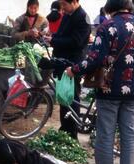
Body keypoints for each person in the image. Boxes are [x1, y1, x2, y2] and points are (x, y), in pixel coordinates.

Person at [66, 0, 134, 164]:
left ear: (110, 6)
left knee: (105, 132)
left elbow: (95, 58)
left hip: (109, 89)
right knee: (129, 132)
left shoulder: (107, 26)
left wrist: (73, 70)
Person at [43, 0, 91, 140]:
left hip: (73, 64)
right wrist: (51, 38)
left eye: (65, 4)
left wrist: (54, 41)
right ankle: (65, 129)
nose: (62, 8)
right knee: (63, 97)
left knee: (71, 97)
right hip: (62, 62)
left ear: (75, 1)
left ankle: (71, 134)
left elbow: (76, 42)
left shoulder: (83, 17)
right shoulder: (68, 15)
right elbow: (62, 34)